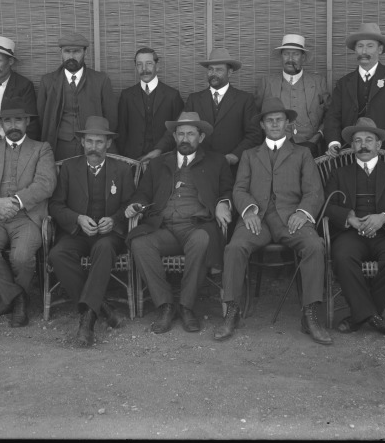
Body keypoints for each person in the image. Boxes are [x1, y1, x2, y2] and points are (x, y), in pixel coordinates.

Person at [214, 97, 330, 345]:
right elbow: (239, 189)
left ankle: (310, 314)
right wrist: (249, 211)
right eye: (270, 120)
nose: (275, 124)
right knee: (234, 248)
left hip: (292, 219)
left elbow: (314, 191)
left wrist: (302, 212)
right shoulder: (249, 155)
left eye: (279, 120)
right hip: (258, 219)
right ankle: (232, 311)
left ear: (287, 123)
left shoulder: (302, 153)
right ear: (263, 125)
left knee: (314, 246)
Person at [126, 112, 233, 334]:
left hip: (196, 226)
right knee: (139, 243)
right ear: (174, 137)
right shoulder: (157, 164)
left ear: (201, 137)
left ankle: (186, 307)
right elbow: (143, 193)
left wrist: (224, 203)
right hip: (163, 226)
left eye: (191, 134)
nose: (185, 139)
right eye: (181, 134)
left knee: (202, 240)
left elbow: (227, 190)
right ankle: (165, 305)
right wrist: (136, 204)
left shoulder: (217, 161)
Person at [324, 117, 385, 340]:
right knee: (341, 257)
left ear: (379, 145)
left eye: (369, 139)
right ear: (351, 146)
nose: (364, 145)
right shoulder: (340, 174)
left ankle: (360, 316)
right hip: (352, 234)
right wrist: (349, 218)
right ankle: (376, 320)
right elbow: (326, 204)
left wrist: (383, 218)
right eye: (358, 141)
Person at [48, 116, 136, 347]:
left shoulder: (123, 170)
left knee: (104, 247)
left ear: (108, 144)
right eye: (89, 142)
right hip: (77, 232)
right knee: (58, 254)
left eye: (99, 142)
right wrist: (77, 218)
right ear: (82, 143)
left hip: (109, 235)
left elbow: (130, 203)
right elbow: (55, 205)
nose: (93, 147)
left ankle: (87, 322)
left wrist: (114, 220)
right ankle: (103, 307)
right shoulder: (69, 168)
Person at [0, 98, 56, 328]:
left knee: (22, 257)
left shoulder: (41, 148)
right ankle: (18, 298)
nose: (13, 125)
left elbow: (46, 184)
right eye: (8, 120)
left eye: (19, 120)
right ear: (1, 125)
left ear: (27, 122)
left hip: (26, 217)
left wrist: (15, 202)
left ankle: (11, 298)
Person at [145, 48, 262, 174]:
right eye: (210, 69)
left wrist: (235, 155)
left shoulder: (244, 100)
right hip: (200, 169)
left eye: (219, 70)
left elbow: (254, 135)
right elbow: (178, 128)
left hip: (232, 170)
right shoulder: (194, 100)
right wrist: (159, 149)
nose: (213, 73)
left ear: (230, 72)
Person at [323, 23, 385, 165]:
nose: (364, 51)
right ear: (355, 50)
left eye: (370, 46)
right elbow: (333, 117)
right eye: (360, 46)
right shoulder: (343, 83)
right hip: (350, 154)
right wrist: (333, 142)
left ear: (380, 49)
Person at [37, 31, 118, 161]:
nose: (71, 56)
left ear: (85, 52)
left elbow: (111, 117)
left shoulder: (100, 80)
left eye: (76, 52)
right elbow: (42, 118)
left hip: (92, 146)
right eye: (67, 51)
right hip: (60, 145)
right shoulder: (48, 81)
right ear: (61, 53)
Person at [254, 34, 330, 157]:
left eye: (295, 54)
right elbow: (256, 116)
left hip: (310, 146)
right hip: (275, 149)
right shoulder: (267, 83)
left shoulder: (318, 82)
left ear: (303, 58)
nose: (290, 58)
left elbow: (330, 115)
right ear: (281, 57)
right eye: (286, 54)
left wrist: (317, 137)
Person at [117, 47, 184, 161]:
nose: (144, 69)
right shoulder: (126, 96)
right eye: (139, 64)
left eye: (149, 64)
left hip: (164, 159)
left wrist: (162, 150)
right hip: (133, 161)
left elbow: (178, 130)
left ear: (157, 66)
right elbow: (122, 132)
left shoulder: (172, 95)